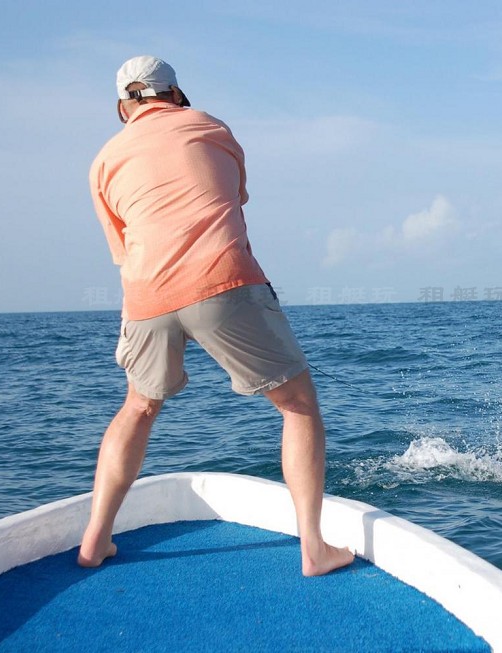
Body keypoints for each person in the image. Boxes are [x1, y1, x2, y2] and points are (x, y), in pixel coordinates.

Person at [78, 55, 354, 577]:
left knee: (138, 407)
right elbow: (233, 197)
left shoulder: (103, 162)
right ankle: (314, 550)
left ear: (122, 107)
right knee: (297, 404)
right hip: (222, 280)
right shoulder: (210, 126)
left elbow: (123, 248)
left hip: (145, 296)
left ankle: (94, 541)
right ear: (176, 94)